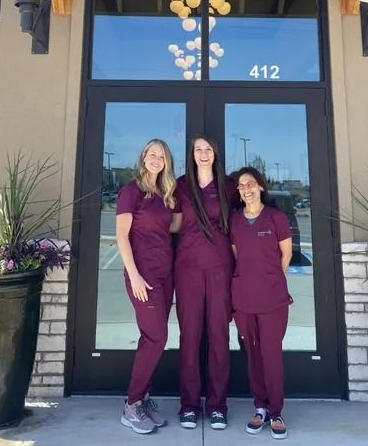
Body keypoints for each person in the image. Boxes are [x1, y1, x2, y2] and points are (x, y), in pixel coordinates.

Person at [172, 135, 237, 430]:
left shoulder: (229, 186)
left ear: (216, 153)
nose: (203, 153)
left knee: (219, 337)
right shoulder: (181, 185)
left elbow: (249, 215)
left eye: (207, 149)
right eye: (198, 149)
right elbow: (170, 222)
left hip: (221, 268)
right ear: (192, 154)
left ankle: (217, 405)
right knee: (190, 336)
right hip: (187, 269)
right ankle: (188, 404)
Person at [116, 138, 178, 434]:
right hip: (144, 277)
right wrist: (135, 276)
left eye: (162, 156)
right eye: (152, 154)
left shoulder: (165, 194)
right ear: (143, 158)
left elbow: (173, 227)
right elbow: (121, 237)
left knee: (149, 338)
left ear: (166, 163)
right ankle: (131, 405)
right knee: (157, 337)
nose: (156, 159)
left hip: (165, 276)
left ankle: (143, 399)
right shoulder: (131, 192)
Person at [230, 167, 293, 440]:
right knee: (253, 355)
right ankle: (260, 407)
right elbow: (237, 256)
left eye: (251, 183)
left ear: (261, 187)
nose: (246, 189)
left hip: (272, 299)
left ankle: (276, 411)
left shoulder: (276, 218)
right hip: (244, 299)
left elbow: (286, 256)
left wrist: (269, 280)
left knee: (271, 353)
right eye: (242, 185)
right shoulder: (234, 221)